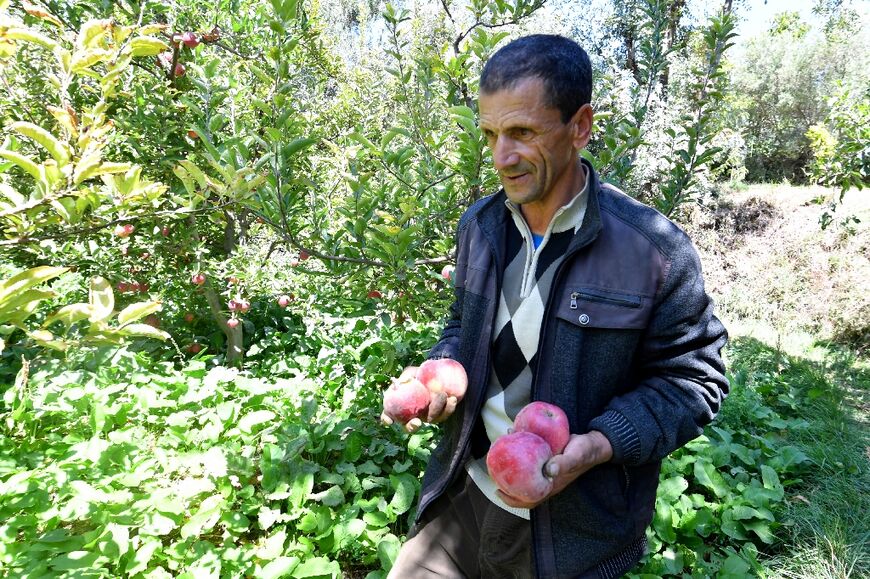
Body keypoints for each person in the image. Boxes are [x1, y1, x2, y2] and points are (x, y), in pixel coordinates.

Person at [381, 34, 729, 579]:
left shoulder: (651, 250)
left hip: (568, 534)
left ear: (580, 126)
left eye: (521, 132)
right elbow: (460, 328)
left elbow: (694, 377)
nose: (502, 156)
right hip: (463, 493)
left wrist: (602, 443)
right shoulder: (480, 227)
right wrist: (438, 374)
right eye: (491, 134)